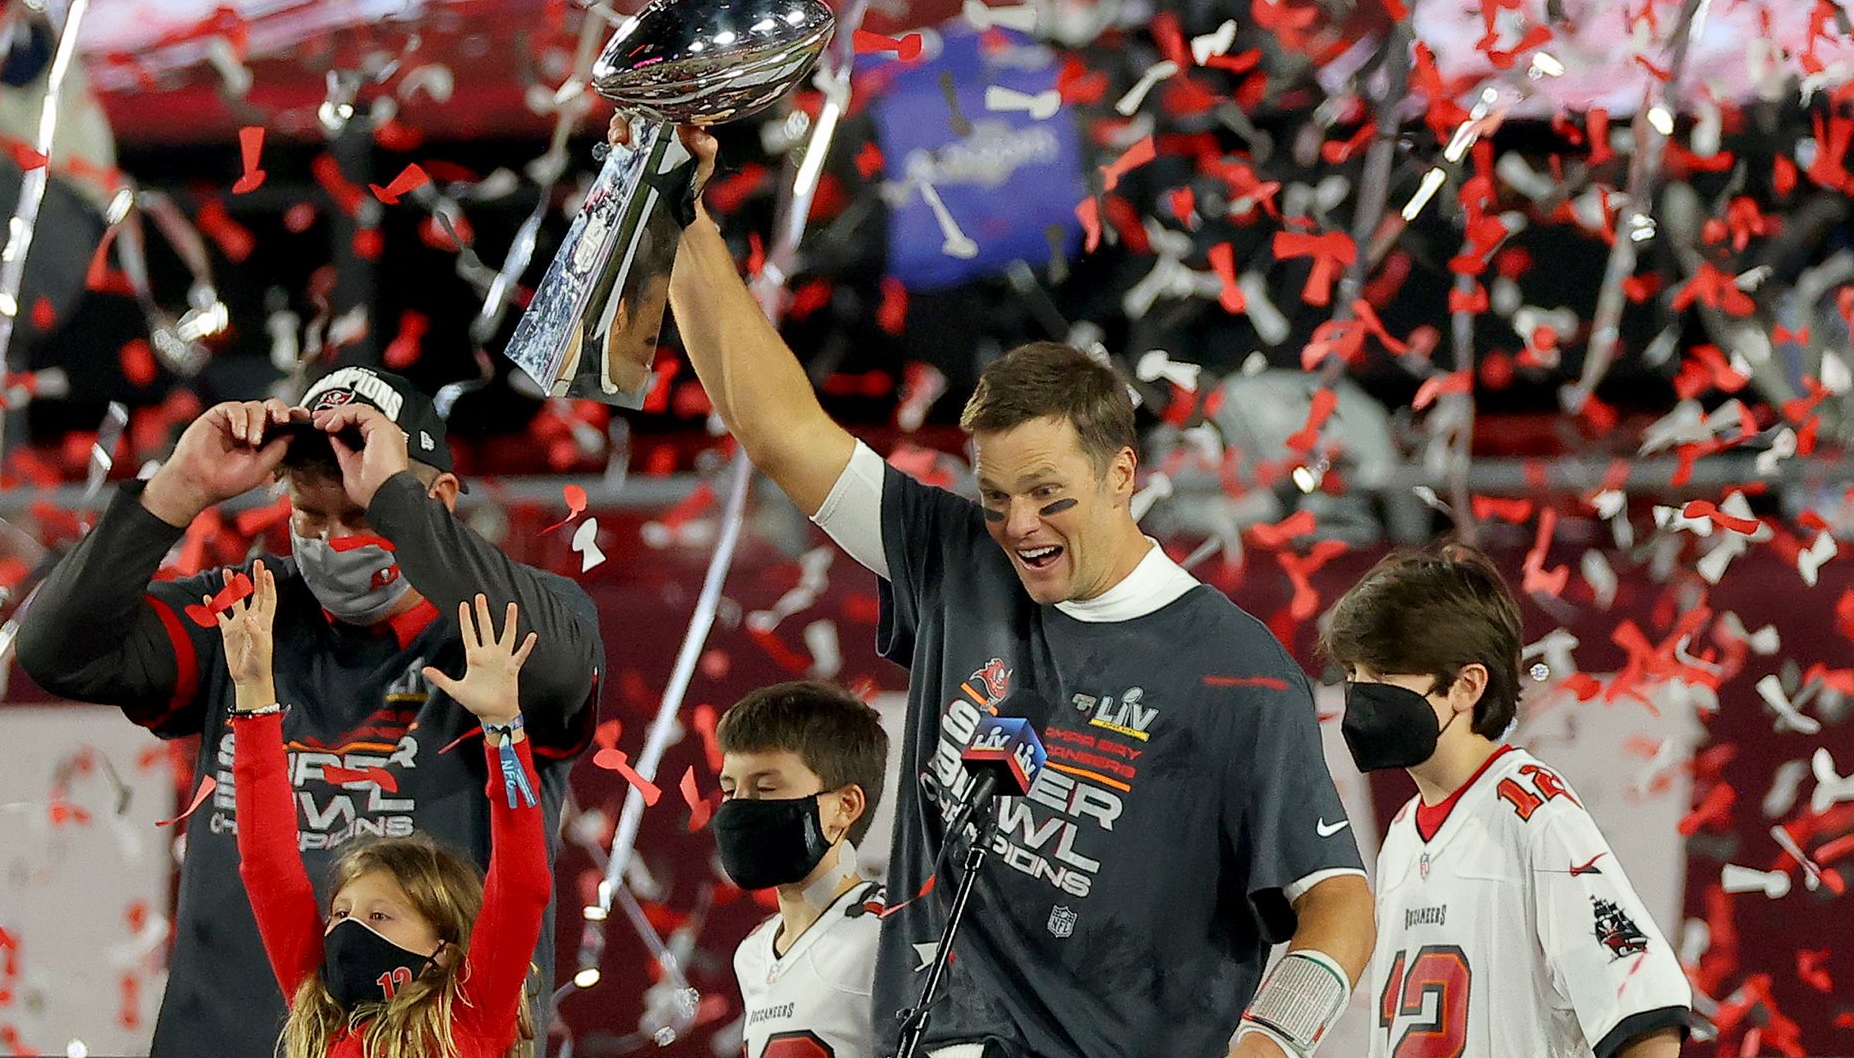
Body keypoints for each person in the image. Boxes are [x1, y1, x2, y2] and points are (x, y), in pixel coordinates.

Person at [619, 113, 1377, 1058]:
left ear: (1122, 475)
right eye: (996, 497)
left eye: (1050, 496)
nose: (1019, 526)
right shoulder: (955, 560)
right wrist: (681, 216)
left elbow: (1337, 898)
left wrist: (1273, 1039)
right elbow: (775, 425)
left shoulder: (1235, 671)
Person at [15, 366, 603, 1058]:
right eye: (309, 514)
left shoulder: (513, 626)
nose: (334, 541)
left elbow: (556, 671)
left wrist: (397, 502)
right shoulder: (248, 613)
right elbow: (57, 650)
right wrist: (178, 490)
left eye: (361, 515)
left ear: (437, 497)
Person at [1319, 545, 1693, 1058]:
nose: (1360, 696)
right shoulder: (1405, 834)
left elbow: (1644, 1012)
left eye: (1382, 674)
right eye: (1353, 675)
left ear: (1466, 686)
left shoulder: (1536, 815)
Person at [223, 564, 548, 1058]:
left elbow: (523, 884)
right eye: (341, 914)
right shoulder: (320, 1016)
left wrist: (504, 729)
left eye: (380, 915)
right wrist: (252, 694)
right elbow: (267, 867)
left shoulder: (468, 1017)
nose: (351, 930)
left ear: (444, 954)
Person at [712, 682, 890, 1058]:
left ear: (845, 805)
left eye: (765, 788)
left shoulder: (891, 937)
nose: (740, 808)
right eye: (730, 790)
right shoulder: (753, 953)